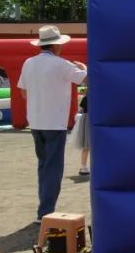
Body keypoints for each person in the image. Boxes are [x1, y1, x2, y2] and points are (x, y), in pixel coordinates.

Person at [18, 25, 87, 222]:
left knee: (43, 166)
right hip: (54, 123)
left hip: (36, 121)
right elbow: (88, 79)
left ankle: (44, 207)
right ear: (56, 45)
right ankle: (45, 212)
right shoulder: (61, 64)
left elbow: (23, 92)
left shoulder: (28, 63)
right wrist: (84, 68)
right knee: (53, 169)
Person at [75, 92, 90, 176]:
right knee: (87, 146)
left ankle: (83, 166)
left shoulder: (86, 98)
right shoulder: (99, 96)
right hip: (90, 120)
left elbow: (80, 109)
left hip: (86, 120)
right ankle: (84, 167)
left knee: (86, 146)